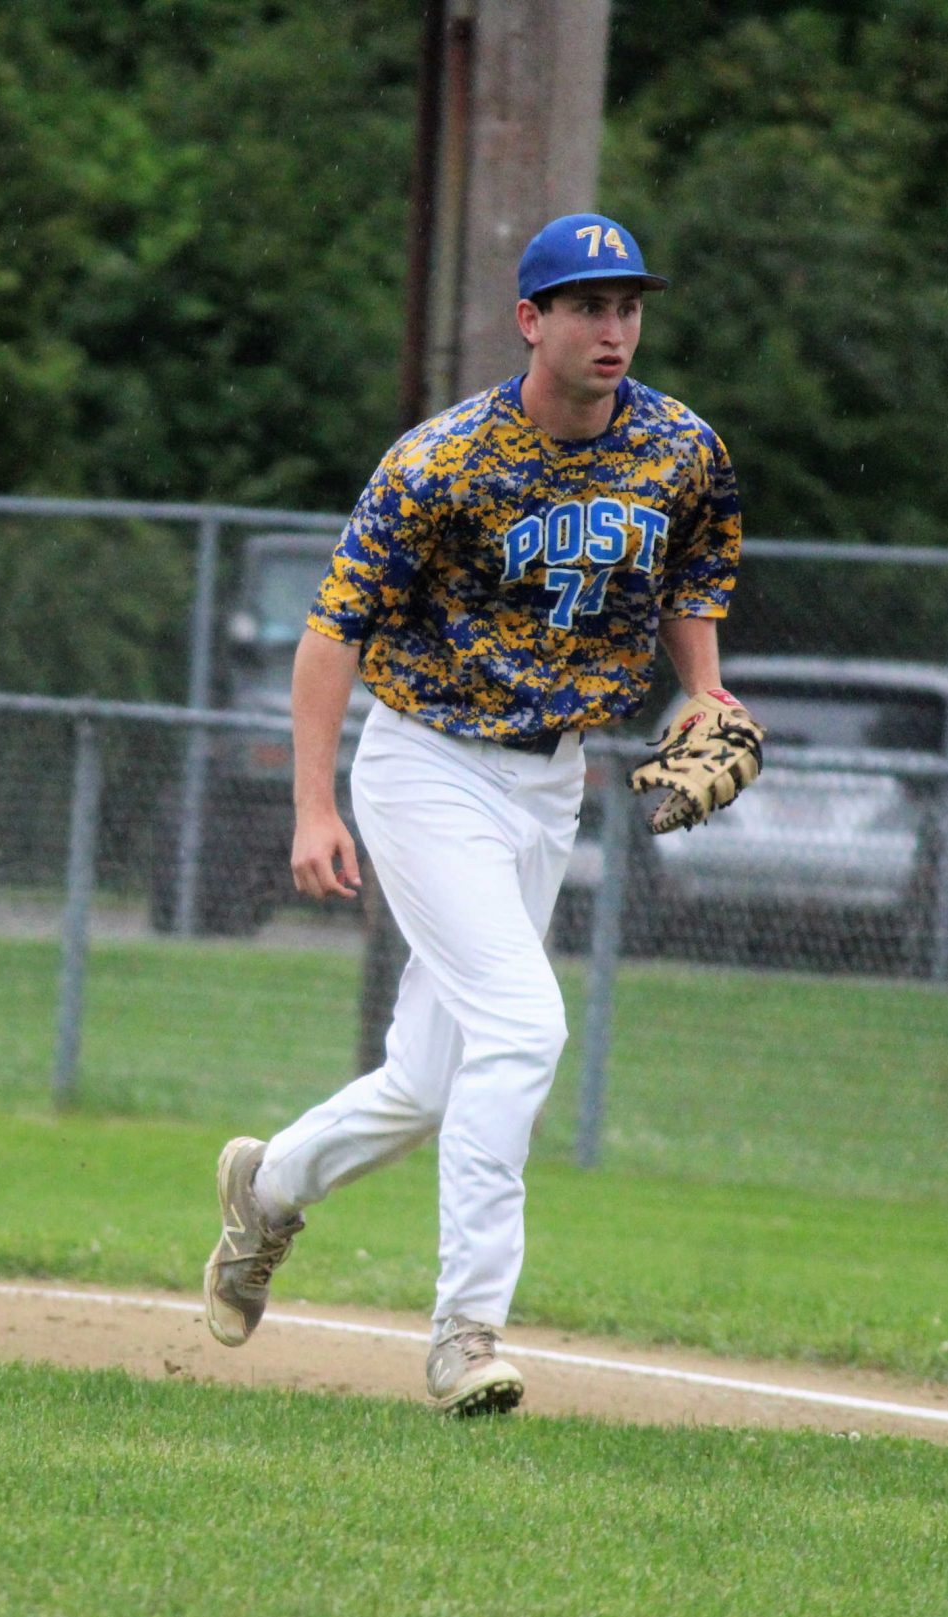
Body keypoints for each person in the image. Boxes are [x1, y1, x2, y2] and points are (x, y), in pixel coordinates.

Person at [201, 213, 762, 1414]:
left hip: (553, 778)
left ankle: (269, 1189)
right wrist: (312, 806)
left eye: (627, 307)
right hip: (424, 768)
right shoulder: (440, 462)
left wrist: (703, 691)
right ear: (531, 321)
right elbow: (330, 633)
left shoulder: (679, 450)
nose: (612, 328)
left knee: (426, 1078)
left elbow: (690, 579)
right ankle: (465, 1332)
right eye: (586, 306)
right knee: (522, 1029)